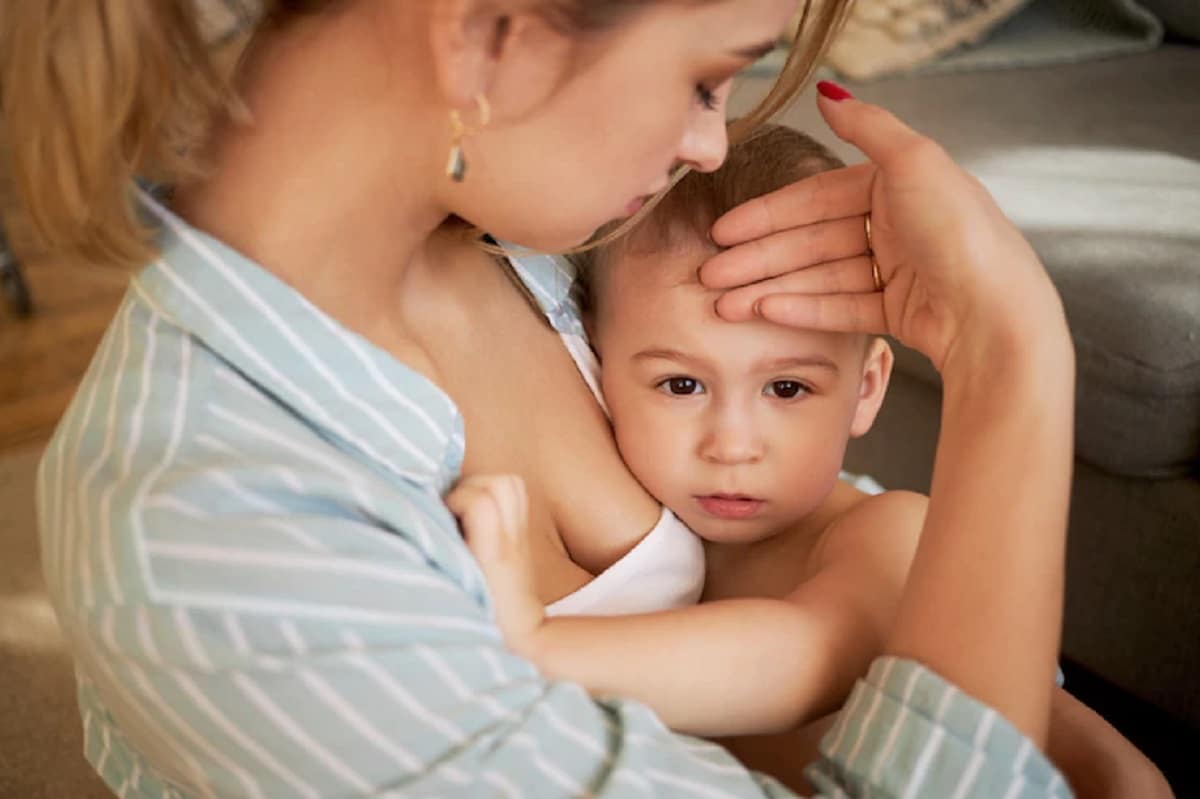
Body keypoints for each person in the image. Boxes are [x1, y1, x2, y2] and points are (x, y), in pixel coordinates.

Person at [0, 0, 1126, 795]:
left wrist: (1055, 724)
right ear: (490, 37)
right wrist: (1014, 358)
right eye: (702, 75)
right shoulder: (223, 552)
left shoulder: (541, 253)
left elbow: (814, 544)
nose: (707, 141)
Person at [450, 123, 1170, 797]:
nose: (732, 443)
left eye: (787, 387)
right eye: (681, 384)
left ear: (865, 389)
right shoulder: (657, 521)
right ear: (597, 367)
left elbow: (796, 665)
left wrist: (538, 645)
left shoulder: (888, 535)